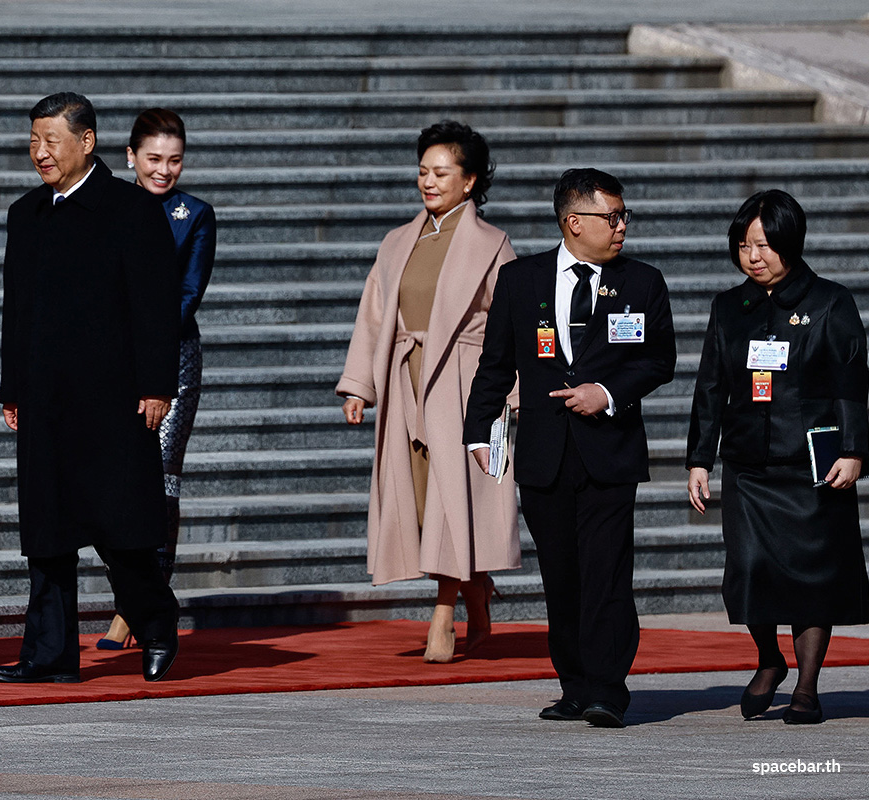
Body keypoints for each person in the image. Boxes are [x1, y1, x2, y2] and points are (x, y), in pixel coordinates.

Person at [463, 168, 676, 728]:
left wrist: (605, 392)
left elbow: (659, 361)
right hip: (544, 452)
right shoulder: (520, 280)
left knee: (606, 573)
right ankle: (575, 685)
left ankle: (609, 687)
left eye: (625, 215)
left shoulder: (642, 282)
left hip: (609, 450)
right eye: (613, 216)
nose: (622, 226)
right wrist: (477, 431)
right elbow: (495, 364)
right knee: (561, 575)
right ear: (573, 221)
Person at [0, 92, 182, 684]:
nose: (39, 153)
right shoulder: (26, 215)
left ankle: (155, 622)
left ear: (88, 142)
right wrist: (12, 388)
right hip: (45, 400)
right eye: (33, 141)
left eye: (51, 141)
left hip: (113, 400)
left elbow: (155, 309)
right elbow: (15, 310)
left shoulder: (131, 210)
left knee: (119, 527)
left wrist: (156, 386)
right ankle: (48, 654)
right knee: (47, 532)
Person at [336, 121, 520, 664]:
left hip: (465, 384)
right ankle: (478, 594)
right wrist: (360, 387)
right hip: (404, 381)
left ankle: (444, 612)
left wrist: (509, 399)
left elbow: (509, 327)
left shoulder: (493, 246)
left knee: (449, 497)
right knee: (422, 502)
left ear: (470, 181)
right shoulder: (397, 241)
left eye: (442, 172)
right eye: (423, 171)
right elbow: (374, 317)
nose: (429, 181)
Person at [686, 190, 869, 725]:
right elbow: (709, 386)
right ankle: (769, 659)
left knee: (812, 581)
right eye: (743, 245)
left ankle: (808, 688)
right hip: (748, 466)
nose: (753, 256)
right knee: (748, 570)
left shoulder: (829, 303)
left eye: (764, 245)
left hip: (813, 466)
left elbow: (852, 385)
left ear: (791, 243)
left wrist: (855, 451)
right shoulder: (729, 306)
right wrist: (700, 458)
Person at [98, 108, 217, 651]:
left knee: (162, 484)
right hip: (109, 367)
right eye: (153, 159)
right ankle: (134, 594)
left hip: (172, 360)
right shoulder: (107, 207)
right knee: (112, 484)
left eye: (173, 160)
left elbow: (188, 294)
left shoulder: (194, 215)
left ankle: (143, 607)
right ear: (130, 157)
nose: (163, 170)